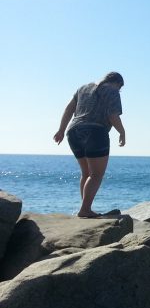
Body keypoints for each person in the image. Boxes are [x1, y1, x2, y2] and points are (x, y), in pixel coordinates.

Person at [53, 72, 126, 218]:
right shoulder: (112, 91)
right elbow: (113, 115)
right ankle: (85, 209)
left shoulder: (83, 88)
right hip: (95, 131)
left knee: (86, 174)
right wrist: (122, 132)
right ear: (117, 83)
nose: (119, 91)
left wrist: (61, 130)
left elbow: (69, 109)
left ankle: (85, 208)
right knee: (96, 175)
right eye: (120, 88)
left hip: (73, 132)